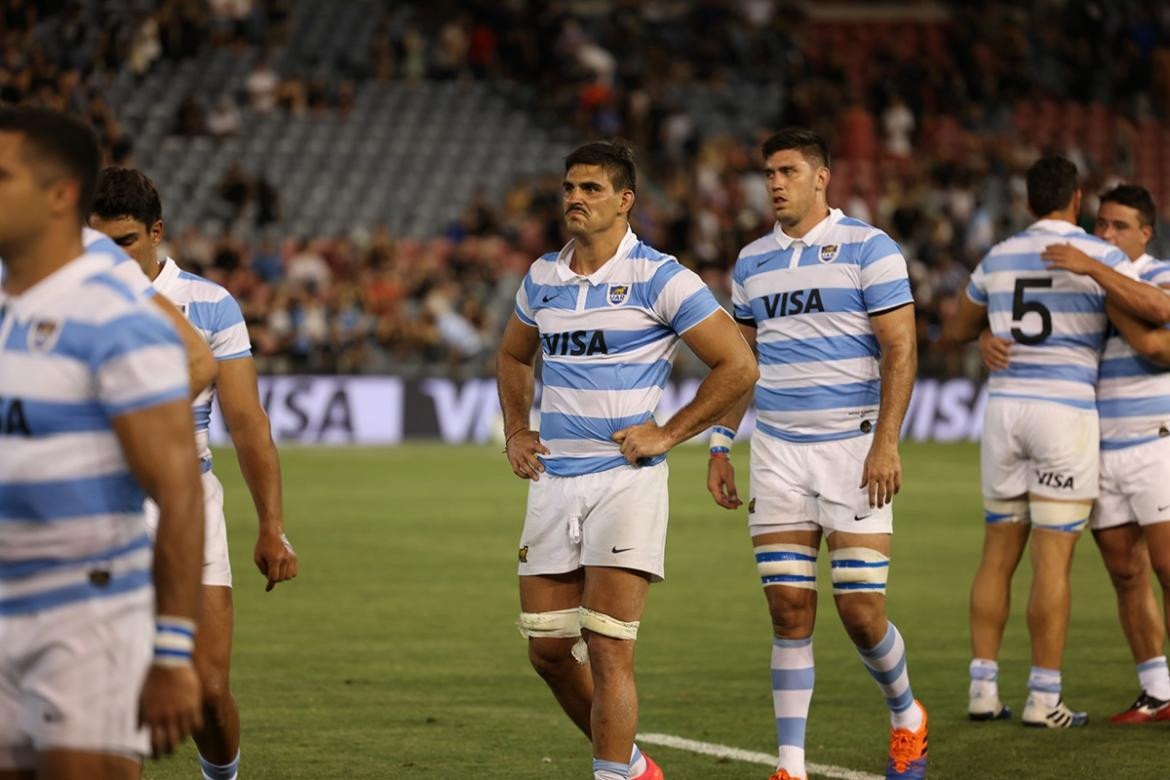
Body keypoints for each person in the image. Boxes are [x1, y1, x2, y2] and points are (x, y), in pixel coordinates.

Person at [497, 141, 758, 780]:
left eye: (590, 189)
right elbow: (511, 355)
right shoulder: (542, 278)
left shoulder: (660, 277)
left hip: (624, 482)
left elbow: (740, 364)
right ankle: (635, 767)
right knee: (550, 650)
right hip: (554, 478)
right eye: (569, 188)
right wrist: (515, 430)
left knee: (610, 648)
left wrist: (669, 434)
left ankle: (610, 775)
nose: (575, 199)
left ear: (625, 200)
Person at [707, 128, 924, 780]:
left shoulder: (869, 248)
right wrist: (721, 444)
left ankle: (906, 715)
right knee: (788, 608)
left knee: (860, 611)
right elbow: (738, 366)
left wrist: (886, 443)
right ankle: (790, 766)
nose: (774, 183)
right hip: (777, 453)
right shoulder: (751, 263)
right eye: (769, 172)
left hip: (853, 449)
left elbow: (901, 350)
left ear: (822, 177)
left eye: (788, 171)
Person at [0, 106, 204, 779]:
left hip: (82, 614)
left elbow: (179, 492)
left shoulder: (117, 317)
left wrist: (172, 651)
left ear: (59, 196)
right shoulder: (9, 309)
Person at [941, 156, 1170, 728]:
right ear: (1076, 201)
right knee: (1054, 557)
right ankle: (1045, 697)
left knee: (996, 553)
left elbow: (952, 330)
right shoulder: (1105, 258)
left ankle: (983, 690)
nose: (1106, 231)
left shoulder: (1000, 254)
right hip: (1064, 411)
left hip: (1004, 409)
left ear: (1026, 201)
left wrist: (988, 332)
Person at [90, 166, 299, 780]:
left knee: (207, 689)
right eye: (98, 244)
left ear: (156, 233)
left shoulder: (209, 304)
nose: (112, 258)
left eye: (125, 242)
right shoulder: (69, 301)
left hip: (187, 495)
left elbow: (247, 421)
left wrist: (272, 527)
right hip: (101, 499)